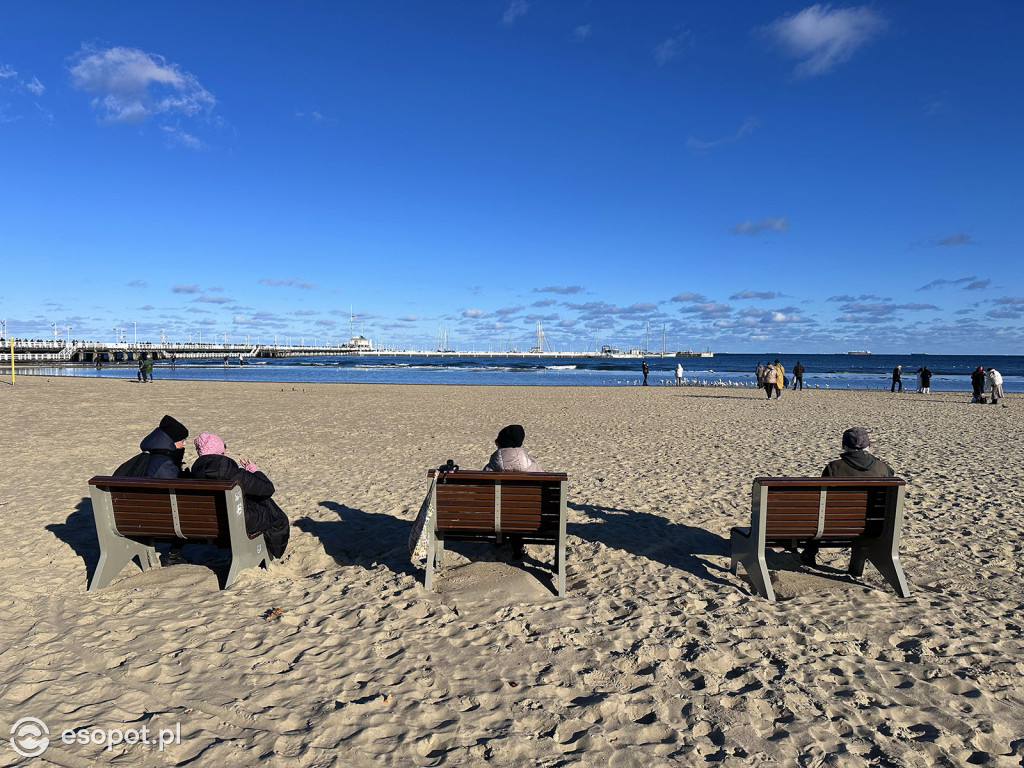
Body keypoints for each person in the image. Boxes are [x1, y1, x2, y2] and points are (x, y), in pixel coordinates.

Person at [801, 427, 895, 566]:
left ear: (843, 446)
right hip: (874, 528)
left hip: (833, 527)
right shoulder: (883, 469)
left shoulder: (833, 468)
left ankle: (810, 553)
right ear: (869, 445)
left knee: (815, 513)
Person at [191, 433, 290, 559]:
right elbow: (267, 489)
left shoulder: (194, 472)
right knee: (275, 514)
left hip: (207, 523)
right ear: (220, 452)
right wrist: (253, 471)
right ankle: (275, 552)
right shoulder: (231, 472)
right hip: (237, 522)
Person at [113, 415, 191, 565]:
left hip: (129, 518)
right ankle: (173, 555)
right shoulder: (164, 463)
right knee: (188, 511)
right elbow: (173, 494)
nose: (184, 443)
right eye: (182, 440)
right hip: (155, 521)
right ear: (171, 442)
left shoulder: (147, 457)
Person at [482, 425, 542, 557]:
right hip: (529, 518)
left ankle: (499, 539)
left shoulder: (492, 466)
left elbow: (482, 490)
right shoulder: (533, 466)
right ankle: (517, 544)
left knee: (501, 506)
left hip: (496, 518)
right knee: (520, 507)